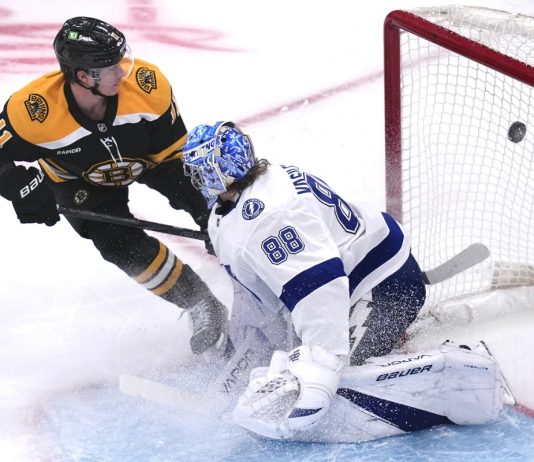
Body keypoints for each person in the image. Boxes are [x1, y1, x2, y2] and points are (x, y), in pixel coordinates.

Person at [180, 121, 508, 441]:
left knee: (335, 384)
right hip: (353, 282)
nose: (194, 180)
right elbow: (258, 300)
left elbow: (319, 288)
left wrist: (322, 362)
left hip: (384, 287)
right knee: (296, 367)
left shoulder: (269, 217)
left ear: (216, 171)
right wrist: (243, 353)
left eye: (197, 171)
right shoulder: (239, 205)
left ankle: (464, 371)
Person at [0, 17, 227, 355]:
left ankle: (263, 281)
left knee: (216, 211)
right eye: (111, 67)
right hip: (80, 179)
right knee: (116, 243)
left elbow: (181, 158)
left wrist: (208, 213)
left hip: (154, 158)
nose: (123, 72)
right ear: (83, 76)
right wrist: (19, 186)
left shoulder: (148, 85)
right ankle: (201, 303)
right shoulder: (34, 111)